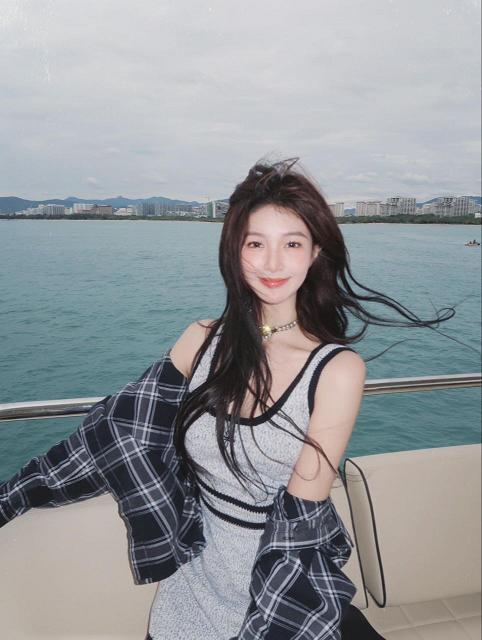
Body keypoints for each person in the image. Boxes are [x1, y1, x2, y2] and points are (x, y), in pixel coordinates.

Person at [1, 158, 456, 640]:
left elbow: (297, 531)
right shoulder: (202, 340)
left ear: (315, 253)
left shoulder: (336, 371)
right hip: (195, 584)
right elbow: (112, 432)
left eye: (292, 243)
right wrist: (8, 499)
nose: (273, 263)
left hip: (283, 594)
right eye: (255, 243)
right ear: (234, 251)